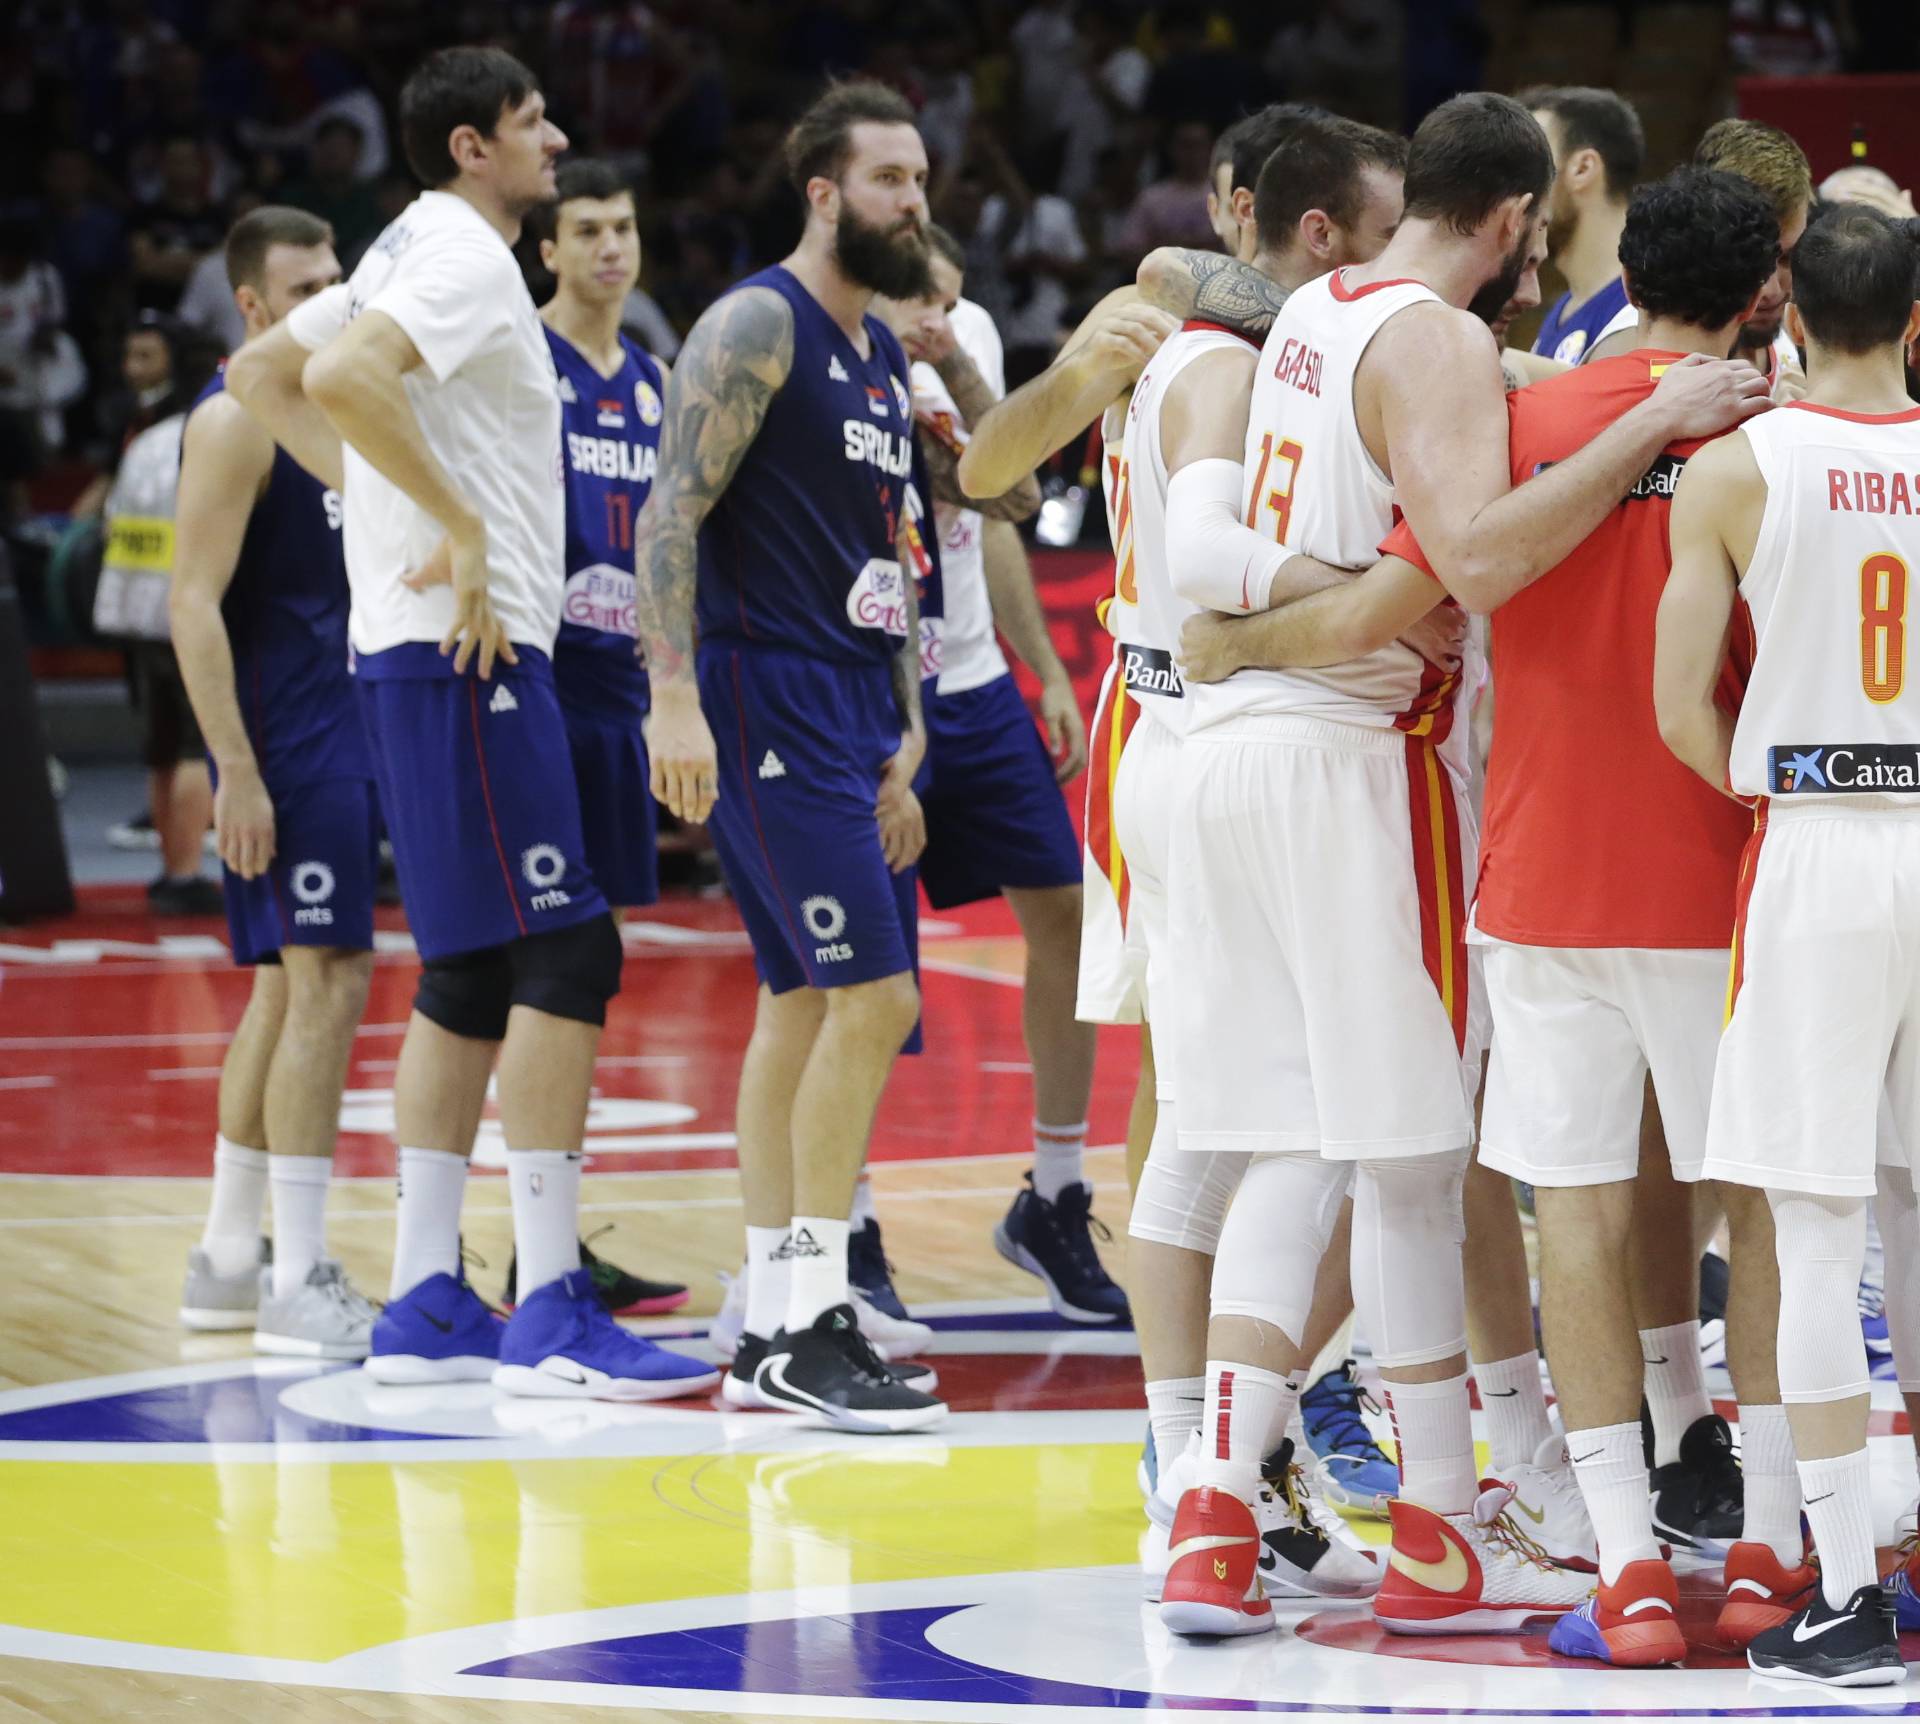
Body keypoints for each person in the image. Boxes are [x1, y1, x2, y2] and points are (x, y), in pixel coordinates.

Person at [1150, 91, 1767, 1638]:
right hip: (1362, 765)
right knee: (1423, 1161)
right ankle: (1440, 1507)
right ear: (1513, 223)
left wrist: (1239, 630)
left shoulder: (1306, 314)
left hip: (1224, 756)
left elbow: (1201, 555)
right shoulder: (1428, 339)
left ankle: (1214, 1500)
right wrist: (1648, 416)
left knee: (1297, 1142)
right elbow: (1480, 559)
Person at [1342, 168, 1797, 1665]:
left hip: (1541, 882)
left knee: (1578, 1218)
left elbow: (1410, 598)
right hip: (1719, 871)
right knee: (1768, 1208)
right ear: (1760, 296)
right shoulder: (1769, 433)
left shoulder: (1513, 428)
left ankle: (1622, 1569)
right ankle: (1772, 1545)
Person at [226, 45, 715, 1401]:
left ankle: (429, 1296)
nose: (555, 140)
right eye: (530, 123)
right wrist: (448, 523)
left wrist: (391, 515)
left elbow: (266, 376)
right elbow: (333, 383)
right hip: (469, 654)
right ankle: (551, 1303)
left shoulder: (400, 244)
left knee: (468, 974)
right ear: (468, 148)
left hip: (425, 650)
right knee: (569, 952)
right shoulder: (457, 257)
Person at [634, 79, 948, 1434]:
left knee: (802, 1004)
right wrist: (670, 695)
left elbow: (886, 552)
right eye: (889, 180)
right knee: (870, 1001)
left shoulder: (879, 351)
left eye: (921, 180)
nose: (913, 202)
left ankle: (770, 1313)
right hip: (761, 697)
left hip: (848, 704)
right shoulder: (757, 323)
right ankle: (813, 1315)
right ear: (822, 190)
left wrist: (908, 726)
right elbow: (671, 510)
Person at [1653, 202, 1920, 1689]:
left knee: (1814, 1229)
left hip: (1817, 839)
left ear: (1788, 318)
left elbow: (1682, 705)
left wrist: (1769, 784)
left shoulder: (1739, 467)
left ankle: (1847, 1591)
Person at [396, 157, 693, 1321]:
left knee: (579, 963)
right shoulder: (521, 359)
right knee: (526, 959)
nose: (612, 247)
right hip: (530, 679)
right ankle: (522, 1259)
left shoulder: (662, 383)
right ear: (548, 251)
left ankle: (542, 1247)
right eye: (588, 229)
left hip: (620, 692)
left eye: (625, 226)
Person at [872, 224, 1127, 1326]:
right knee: (863, 983)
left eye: (952, 292)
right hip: (869, 690)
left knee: (1067, 922)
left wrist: (1042, 671)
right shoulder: (833, 356)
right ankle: (843, 1225)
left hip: (973, 682)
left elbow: (1001, 508)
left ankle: (1055, 1193)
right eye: (919, 298)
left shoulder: (965, 335)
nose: (939, 309)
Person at [170, 205, 383, 1357]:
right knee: (331, 978)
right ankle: (299, 1273)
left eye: (339, 276)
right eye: (307, 286)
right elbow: (189, 602)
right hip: (290, 741)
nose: (332, 297)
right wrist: (236, 771)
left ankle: (225, 1255)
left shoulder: (321, 405)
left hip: (333, 726)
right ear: (252, 308)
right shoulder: (236, 419)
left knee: (283, 985)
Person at [1522, 86, 1644, 364]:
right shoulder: (1566, 306)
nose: (1514, 189)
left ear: (1583, 169)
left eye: (1529, 164)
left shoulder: (1647, 312)